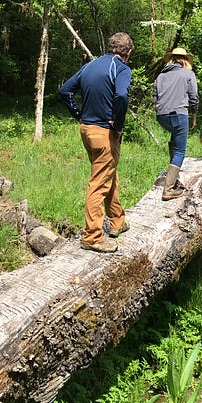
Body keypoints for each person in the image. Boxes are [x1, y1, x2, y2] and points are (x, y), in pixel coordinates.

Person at [58, 32, 134, 253]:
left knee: (109, 172)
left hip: (87, 130)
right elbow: (121, 96)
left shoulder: (89, 66)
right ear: (128, 52)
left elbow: (65, 91)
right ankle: (92, 236)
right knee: (99, 182)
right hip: (104, 132)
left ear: (110, 48)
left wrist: (78, 115)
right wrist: (118, 125)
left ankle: (117, 220)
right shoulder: (121, 68)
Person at [153, 47, 199, 201]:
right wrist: (193, 115)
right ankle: (168, 189)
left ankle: (174, 178)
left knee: (175, 138)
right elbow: (194, 98)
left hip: (161, 117)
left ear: (171, 60)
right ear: (185, 61)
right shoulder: (188, 74)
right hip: (179, 115)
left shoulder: (160, 76)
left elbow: (155, 98)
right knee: (180, 151)